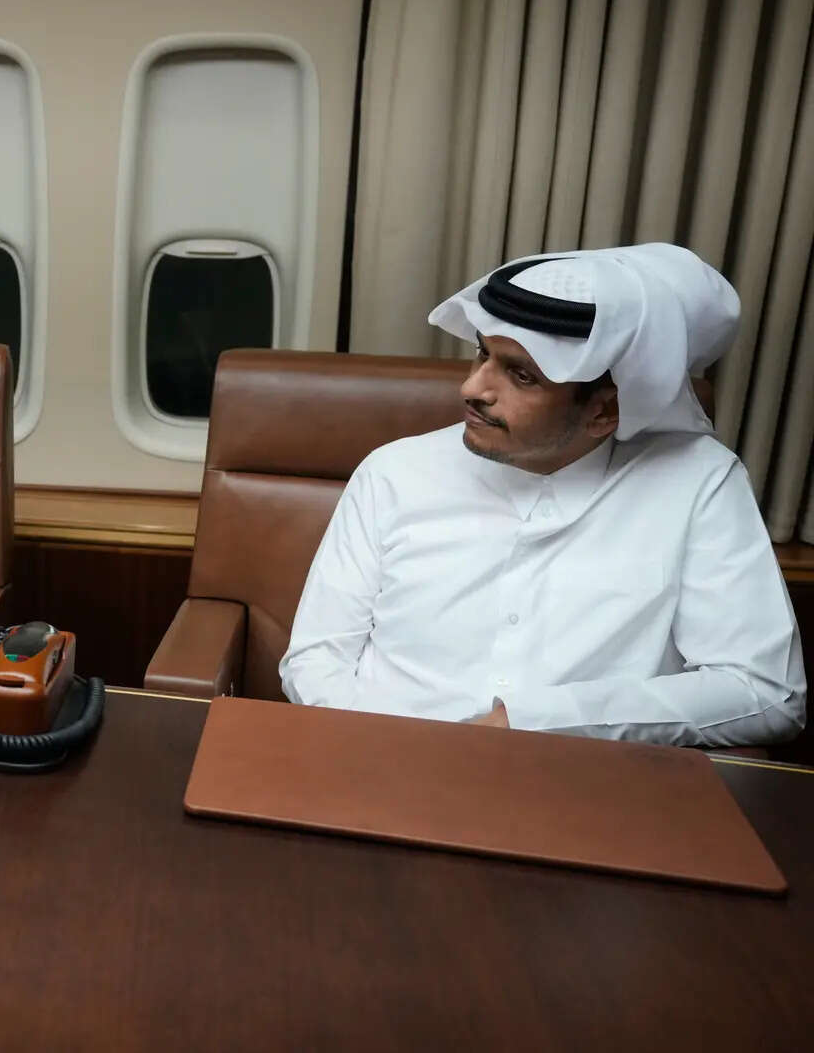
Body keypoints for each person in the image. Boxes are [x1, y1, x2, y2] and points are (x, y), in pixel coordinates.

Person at [280, 243, 805, 746]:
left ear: (605, 411)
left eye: (522, 375)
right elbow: (315, 659)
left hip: (582, 795)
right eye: (483, 354)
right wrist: (369, 751)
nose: (473, 389)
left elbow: (765, 690)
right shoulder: (394, 471)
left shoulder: (699, 484)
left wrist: (537, 725)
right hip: (372, 769)